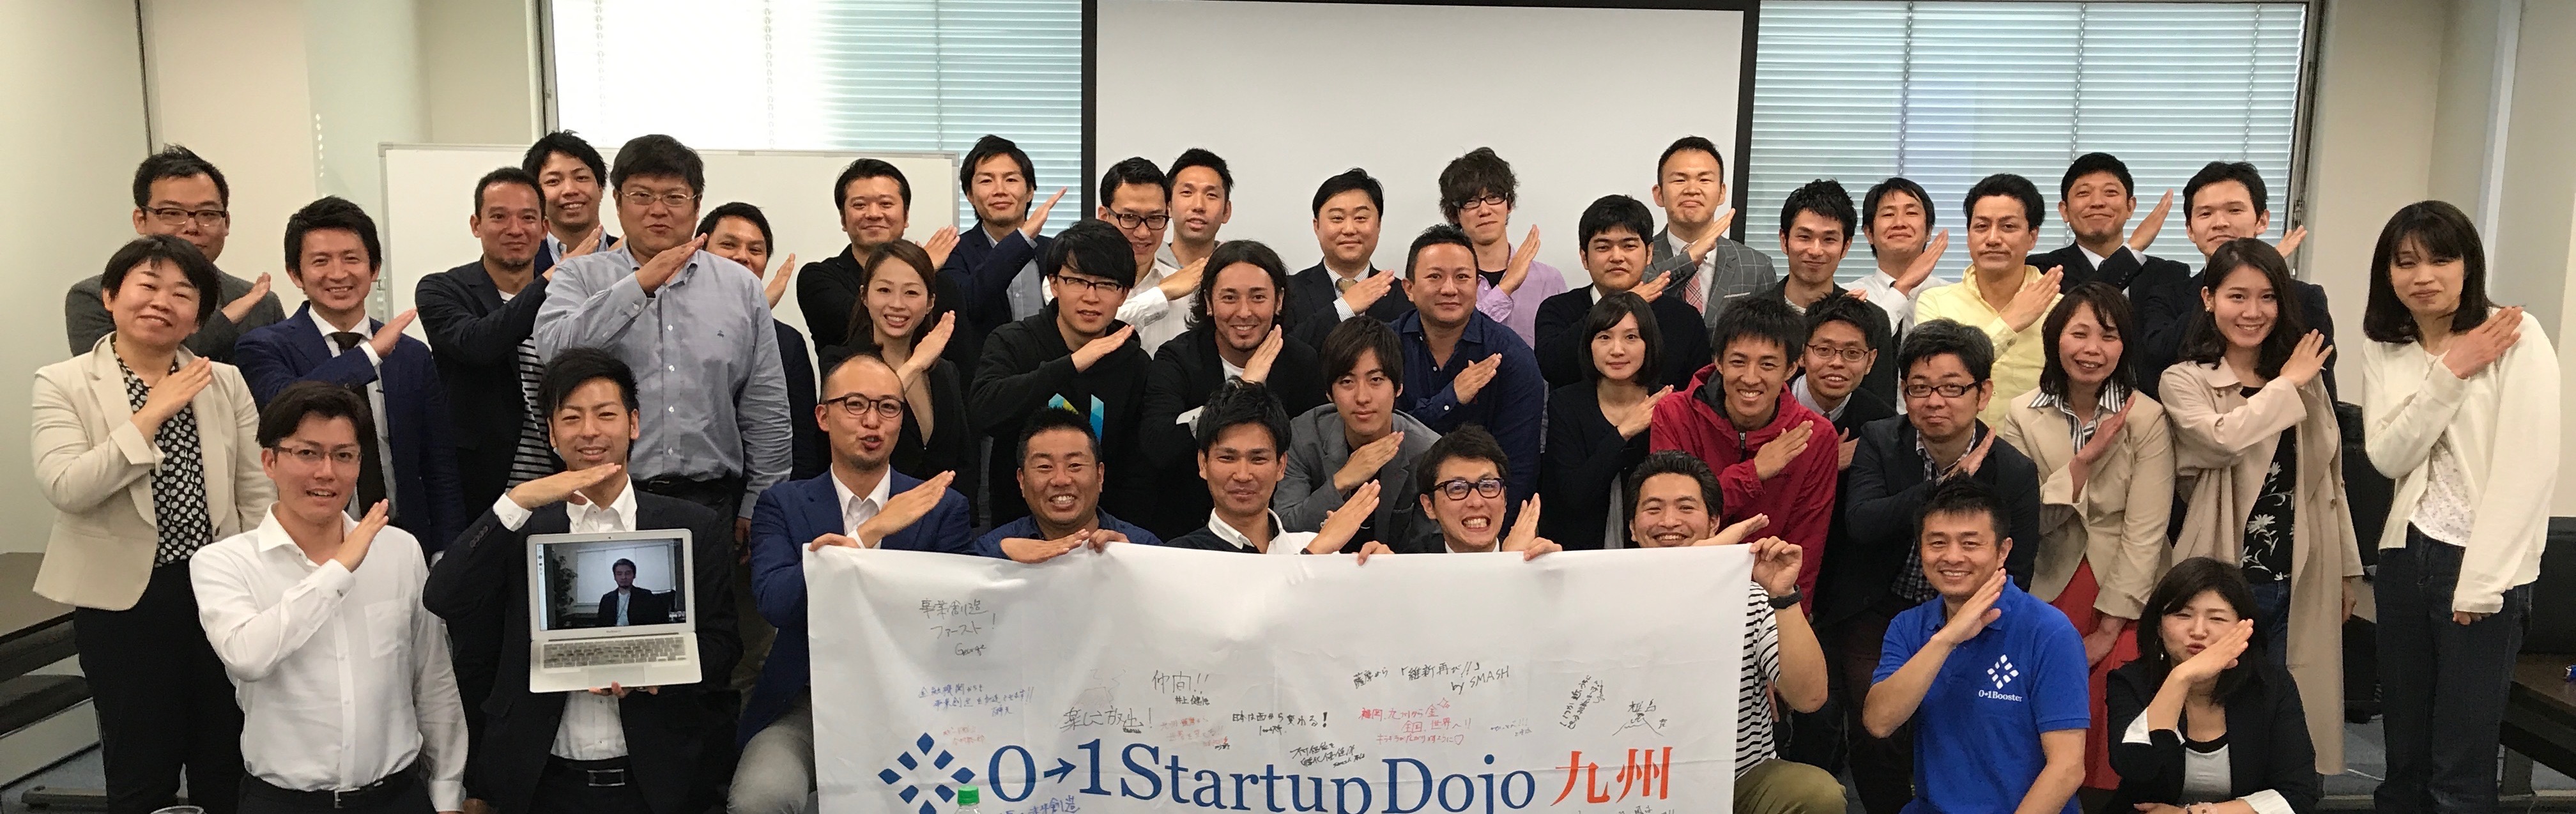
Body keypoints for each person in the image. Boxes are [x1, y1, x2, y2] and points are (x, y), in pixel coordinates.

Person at [422, 348, 741, 814]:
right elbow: (443, 596)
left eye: (606, 414)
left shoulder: (693, 526)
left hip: (658, 780)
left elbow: (723, 645)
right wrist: (518, 500)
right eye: (571, 418)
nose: (589, 431)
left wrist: (655, 675)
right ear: (552, 434)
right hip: (540, 781)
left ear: (634, 423)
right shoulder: (522, 526)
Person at [36, 235, 272, 814]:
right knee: (141, 765)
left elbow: (255, 492)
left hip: (217, 592)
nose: (162, 302)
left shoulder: (225, 382)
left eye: (183, 293)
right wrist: (151, 414)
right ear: (110, 297)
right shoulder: (63, 382)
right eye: (147, 285)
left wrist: (262, 587)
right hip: (124, 603)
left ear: (199, 316)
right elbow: (68, 486)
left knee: (226, 755)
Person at [2358, 201, 2558, 813]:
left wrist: (2484, 582)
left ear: (2469, 264)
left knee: (2461, 768)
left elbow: (2528, 469)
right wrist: (2452, 371)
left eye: (2440, 259)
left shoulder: (2515, 334)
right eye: (2406, 262)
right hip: (2404, 557)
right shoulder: (2387, 346)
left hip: (2479, 564)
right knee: (2405, 761)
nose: (2424, 276)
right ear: (2388, 274)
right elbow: (2388, 455)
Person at [190, 383, 465, 814]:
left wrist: (448, 788)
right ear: (269, 461)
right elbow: (248, 657)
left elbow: (432, 677)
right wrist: (339, 569)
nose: (326, 472)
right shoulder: (224, 562)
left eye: (344, 455)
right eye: (307, 453)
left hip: (396, 796)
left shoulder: (399, 550)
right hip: (285, 801)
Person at [1819, 319, 2043, 813]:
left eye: (1951, 388)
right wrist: (1940, 487)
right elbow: (1863, 523)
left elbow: (2018, 570)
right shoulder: (1881, 439)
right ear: (1904, 393)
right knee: (1878, 727)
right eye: (1919, 388)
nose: (1934, 401)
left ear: (1983, 393)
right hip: (1879, 609)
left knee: (1961, 717)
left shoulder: (2014, 470)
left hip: (1969, 614)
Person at [733, 351, 971, 814]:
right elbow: (776, 602)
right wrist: (868, 535)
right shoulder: (782, 503)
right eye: (855, 404)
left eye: (888, 407)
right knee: (760, 799)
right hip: (807, 700)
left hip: (914, 703)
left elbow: (951, 617)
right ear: (823, 417)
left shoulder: (942, 507)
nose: (872, 421)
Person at [2159, 237, 2358, 779]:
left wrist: (2346, 569)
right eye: (2237, 296)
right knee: (2219, 708)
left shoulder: (2303, 380)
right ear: (2209, 299)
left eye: (2268, 297)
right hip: (2224, 566)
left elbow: (2331, 477)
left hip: (2302, 567)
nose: (2253, 312)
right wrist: (2288, 383)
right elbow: (2221, 439)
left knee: (2293, 715)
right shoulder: (2185, 379)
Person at [535, 134, 791, 538]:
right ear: (617, 202)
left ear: (697, 206)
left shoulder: (740, 287)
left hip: (711, 500)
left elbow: (765, 406)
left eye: (674, 197)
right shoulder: (579, 275)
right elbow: (553, 349)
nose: (658, 210)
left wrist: (761, 502)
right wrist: (638, 286)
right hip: (602, 496)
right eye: (642, 195)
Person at [1990, 283, 2177, 794]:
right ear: (2056, 339)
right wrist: (2083, 463)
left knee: (2112, 712)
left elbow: (2146, 528)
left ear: (2125, 346)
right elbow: (2028, 520)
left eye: (2109, 336)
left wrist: (2110, 628)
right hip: (2049, 576)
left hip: (2128, 587)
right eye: (2080, 334)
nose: (2093, 349)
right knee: (2038, 714)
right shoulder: (2022, 413)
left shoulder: (2146, 416)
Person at [237, 196, 464, 552]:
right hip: (308, 546)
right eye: (321, 261)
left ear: (374, 269)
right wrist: (370, 355)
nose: (338, 273)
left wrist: (446, 551)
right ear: (295, 274)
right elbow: (286, 405)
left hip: (402, 539)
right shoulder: (264, 346)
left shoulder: (412, 354)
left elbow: (439, 464)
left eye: (351, 259)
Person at [1621, 452, 1844, 813]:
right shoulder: (1600, 596)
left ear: (1714, 523)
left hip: (1736, 780)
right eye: (1653, 509)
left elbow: (1810, 698)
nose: (1669, 521)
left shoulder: (1751, 597)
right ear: (1632, 526)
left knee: (1816, 794)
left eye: (1686, 507)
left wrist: (1784, 597)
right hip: (1624, 781)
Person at [1864, 480, 2087, 814]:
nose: (1953, 557)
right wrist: (1947, 639)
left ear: (2003, 551)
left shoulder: (2049, 631)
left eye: (1970, 543)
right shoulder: (1909, 626)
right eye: (1937, 543)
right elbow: (1879, 723)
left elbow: (2067, 768)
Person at [1648, 296, 1839, 596]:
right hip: (1681, 584)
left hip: (1767, 594)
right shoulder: (1675, 414)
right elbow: (1675, 521)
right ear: (1718, 361)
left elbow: (1806, 545)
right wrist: (1754, 472)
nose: (1750, 378)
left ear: (1791, 368)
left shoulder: (1815, 435)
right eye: (1738, 361)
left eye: (1768, 364)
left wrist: (1790, 613)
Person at [1137, 240, 1329, 538]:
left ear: (1278, 301)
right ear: (1208, 302)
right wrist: (1242, 388)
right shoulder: (1177, 358)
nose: (1244, 312)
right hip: (1185, 525)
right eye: (1229, 298)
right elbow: (1158, 446)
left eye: (1258, 297)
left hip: (1277, 529)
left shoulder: (1300, 361)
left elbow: (1310, 455)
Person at [970, 219, 1153, 525]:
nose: (1091, 297)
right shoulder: (1013, 341)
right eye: (1077, 281)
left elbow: (1138, 468)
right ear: (1054, 284)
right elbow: (985, 413)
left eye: (1106, 285)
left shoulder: (1134, 362)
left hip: (1105, 533)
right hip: (1019, 531)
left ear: (1124, 294)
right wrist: (1073, 363)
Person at [2104, 557, 2322, 813]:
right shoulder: (2130, 682)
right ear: (2159, 627)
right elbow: (2136, 767)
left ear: (2244, 628)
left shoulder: (2270, 685)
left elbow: (2298, 793)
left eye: (2217, 619)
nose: (2198, 631)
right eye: (2183, 615)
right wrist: (2180, 678)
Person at [418, 167, 562, 512]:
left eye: (528, 218)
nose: (515, 229)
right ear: (476, 225)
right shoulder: (442, 289)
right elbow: (479, 344)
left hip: (560, 484)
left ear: (544, 228)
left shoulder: (568, 296)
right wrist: (552, 278)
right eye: (499, 217)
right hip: (479, 493)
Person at [68, 145, 286, 362]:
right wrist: (227, 318)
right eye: (172, 213)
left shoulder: (262, 304)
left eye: (207, 214)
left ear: (226, 223)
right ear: (140, 220)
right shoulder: (97, 295)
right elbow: (122, 373)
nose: (191, 227)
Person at [2138, 162, 2333, 399]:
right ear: (2190, 230)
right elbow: (2157, 363)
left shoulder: (2305, 298)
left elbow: (2323, 395)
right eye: (2206, 213)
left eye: (2234, 210)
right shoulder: (2168, 296)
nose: (2220, 223)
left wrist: (2265, 270)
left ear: (2262, 221)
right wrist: (2229, 284)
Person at [1391, 225, 1545, 511]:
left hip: (1482, 515)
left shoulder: (1511, 358)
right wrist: (1450, 399)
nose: (1449, 289)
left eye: (1462, 277)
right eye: (1435, 277)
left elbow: (1519, 469)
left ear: (1477, 285)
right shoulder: (1385, 349)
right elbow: (1387, 442)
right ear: (1409, 288)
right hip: (1398, 510)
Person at [819, 240, 976, 495]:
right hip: (871, 510)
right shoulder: (840, 363)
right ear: (864, 296)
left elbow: (964, 462)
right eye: (884, 290)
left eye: (911, 293)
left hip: (943, 512)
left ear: (930, 303)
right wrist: (914, 365)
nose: (897, 304)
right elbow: (857, 431)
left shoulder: (944, 371)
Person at [1277, 317, 1441, 553]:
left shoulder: (1428, 451)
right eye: (1347, 382)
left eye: (1376, 380)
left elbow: (1434, 544)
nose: (1362, 397)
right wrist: (1341, 482)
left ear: (1398, 388)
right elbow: (1284, 528)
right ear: (1329, 393)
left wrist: (1394, 562)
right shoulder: (1303, 437)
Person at [797, 159, 972, 374]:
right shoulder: (818, 277)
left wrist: (919, 272)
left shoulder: (943, 285)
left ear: (906, 216)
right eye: (860, 205)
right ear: (843, 219)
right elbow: (854, 330)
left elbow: (963, 363)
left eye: (886, 204)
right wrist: (916, 268)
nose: (873, 214)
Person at [1914, 173, 2064, 424]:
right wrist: (2009, 323)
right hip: (1957, 444)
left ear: (2033, 237)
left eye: (2008, 227)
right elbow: (1937, 376)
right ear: (1969, 236)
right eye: (1981, 227)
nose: (1993, 239)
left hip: (2035, 446)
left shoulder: (2061, 309)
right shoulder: (1936, 302)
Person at [1165, 381, 1374, 555]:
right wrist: (1314, 554)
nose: (1243, 475)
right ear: (1203, 463)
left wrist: (1380, 569)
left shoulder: (1313, 545)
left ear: (1281, 465)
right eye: (1228, 458)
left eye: (1258, 459)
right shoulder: (1179, 556)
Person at [698, 201, 826, 481]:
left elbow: (801, 445)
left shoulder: (787, 342)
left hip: (762, 490)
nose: (743, 257)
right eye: (729, 245)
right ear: (699, 252)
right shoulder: (671, 325)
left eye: (755, 250)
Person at [1533, 194, 1709, 390]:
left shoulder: (1684, 319)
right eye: (1603, 247)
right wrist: (1621, 307)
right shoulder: (1557, 309)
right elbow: (1553, 369)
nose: (1617, 257)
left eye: (1629, 246)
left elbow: (1697, 394)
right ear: (1584, 257)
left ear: (1649, 253)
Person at [1538, 293, 1671, 549]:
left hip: (1652, 551)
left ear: (1649, 343)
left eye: (1631, 337)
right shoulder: (1566, 404)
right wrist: (1623, 433)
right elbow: (1573, 495)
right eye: (1604, 338)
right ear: (1589, 344)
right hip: (1578, 552)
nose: (1617, 350)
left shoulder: (1667, 403)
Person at [1761, 179, 1898, 406]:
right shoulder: (1752, 318)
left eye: (1829, 240)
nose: (1816, 250)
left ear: (1846, 246)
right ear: (1784, 240)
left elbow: (1879, 409)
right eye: (1804, 237)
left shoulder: (1872, 320)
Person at [939, 135, 1065, 369]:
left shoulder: (1058, 251)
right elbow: (967, 306)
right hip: (984, 382)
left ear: (1030, 191)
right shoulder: (952, 253)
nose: (999, 190)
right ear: (969, 194)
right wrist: (1021, 240)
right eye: (986, 181)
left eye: (1011, 179)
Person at [2025, 153, 2193, 328]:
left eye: (2110, 192)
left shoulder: (2171, 276)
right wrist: (2132, 251)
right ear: (2064, 211)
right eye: (2083, 193)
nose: (2097, 202)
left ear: (2130, 207)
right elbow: (2069, 321)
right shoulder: (2043, 272)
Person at [972, 408, 1163, 560]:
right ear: (1021, 481)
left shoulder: (1143, 547)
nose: (1061, 480)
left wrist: (1134, 564)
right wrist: (999, 559)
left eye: (1075, 465)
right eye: (1045, 467)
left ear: (1100, 476)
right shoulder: (990, 551)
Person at [1437, 148, 1565, 346]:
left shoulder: (1548, 280)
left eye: (1494, 197)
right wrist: (1506, 287)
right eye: (1471, 202)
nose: (1484, 210)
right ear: (1454, 214)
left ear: (1509, 204)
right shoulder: (1444, 284)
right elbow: (1451, 345)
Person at [1641, 135, 1775, 324]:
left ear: (1722, 193)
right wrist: (1690, 258)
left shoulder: (1756, 266)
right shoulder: (1637, 260)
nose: (1692, 190)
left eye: (1704, 180)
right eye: (1679, 180)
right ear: (1659, 195)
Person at [1284, 169, 1411, 342]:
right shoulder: (1289, 292)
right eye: (1337, 218)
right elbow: (1284, 350)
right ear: (1317, 226)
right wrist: (1345, 308)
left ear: (1379, 225)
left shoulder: (1405, 295)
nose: (1350, 229)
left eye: (1361, 218)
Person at [1096, 156, 1202, 353]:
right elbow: (1088, 337)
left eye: (1155, 218)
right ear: (1104, 217)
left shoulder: (1188, 292)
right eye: (1130, 217)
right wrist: (1161, 295)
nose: (1143, 233)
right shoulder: (1071, 280)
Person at [1409, 426, 1561, 558]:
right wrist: (1509, 566)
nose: (1476, 502)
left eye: (1488, 486)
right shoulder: (1410, 566)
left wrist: (1553, 569)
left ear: (1505, 498)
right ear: (1429, 505)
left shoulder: (1531, 558)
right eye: (1457, 488)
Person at [1850, 177, 1947, 337]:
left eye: (1911, 213)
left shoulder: (1951, 296)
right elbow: (1861, 346)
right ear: (1869, 233)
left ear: (1929, 231)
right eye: (1888, 214)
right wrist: (1902, 287)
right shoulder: (1850, 297)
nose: (1900, 223)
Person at [1793, 293, 1899, 437]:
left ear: (1870, 361)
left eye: (1852, 353)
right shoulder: (1768, 405)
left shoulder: (1883, 424)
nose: (1837, 363)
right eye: (1824, 350)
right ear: (1801, 354)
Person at [521, 131, 618, 272]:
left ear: (600, 187)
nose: (570, 190)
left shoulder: (631, 256)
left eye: (581, 178)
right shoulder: (520, 263)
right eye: (553, 181)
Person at [1164, 148, 1232, 272]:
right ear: (1168, 206)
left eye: (1211, 195)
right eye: (1187, 192)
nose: (1198, 206)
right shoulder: (1142, 266)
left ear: (1226, 211)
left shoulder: (1237, 270)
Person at [592, 559, 672, 627]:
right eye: (619, 574)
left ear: (634, 575)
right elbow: (600, 625)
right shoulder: (606, 599)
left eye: (628, 573)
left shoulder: (645, 596)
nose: (624, 577)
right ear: (615, 577)